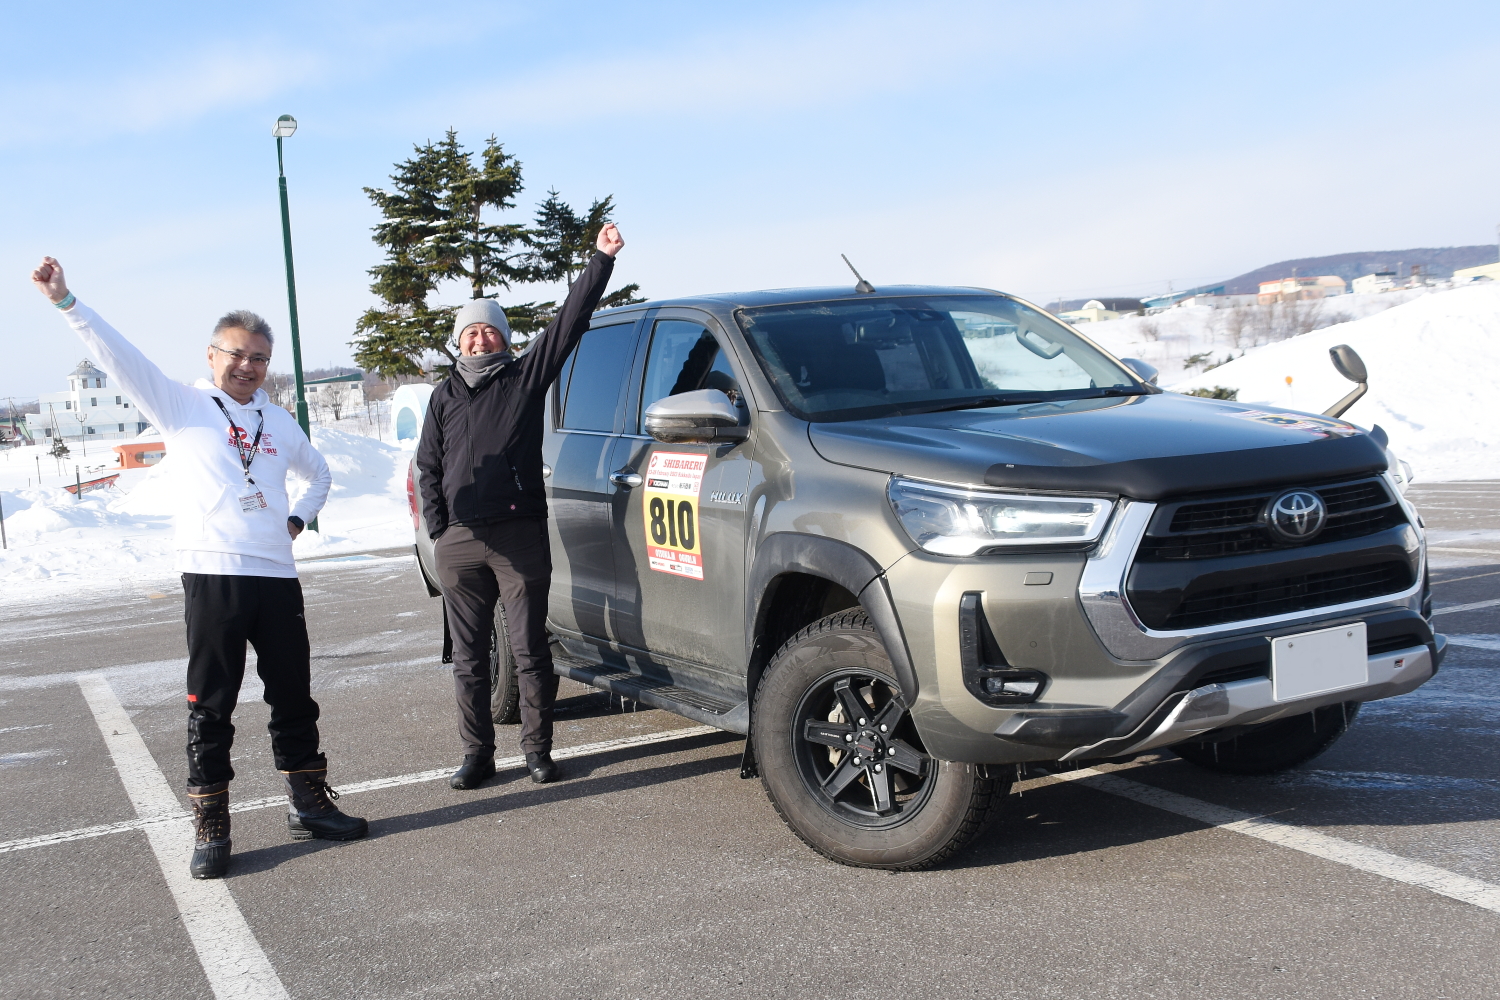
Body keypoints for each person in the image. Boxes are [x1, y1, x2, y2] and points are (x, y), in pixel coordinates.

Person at [30, 257, 366, 880]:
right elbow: (119, 357)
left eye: (259, 358)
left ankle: (309, 802)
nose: (248, 366)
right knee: (212, 704)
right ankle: (212, 824)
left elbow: (317, 473)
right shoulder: (182, 405)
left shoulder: (277, 419)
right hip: (213, 576)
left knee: (294, 695)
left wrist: (295, 521)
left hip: (276, 576)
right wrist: (66, 301)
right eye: (237, 354)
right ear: (213, 356)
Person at [417, 222, 625, 788]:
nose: (479, 340)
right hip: (460, 542)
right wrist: (441, 530)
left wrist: (600, 262)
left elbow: (568, 324)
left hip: (518, 537)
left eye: (489, 332)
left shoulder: (524, 379)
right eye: (470, 334)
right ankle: (477, 756)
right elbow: (427, 466)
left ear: (504, 339)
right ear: (457, 343)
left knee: (530, 650)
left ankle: (537, 752)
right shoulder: (444, 396)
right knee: (469, 661)